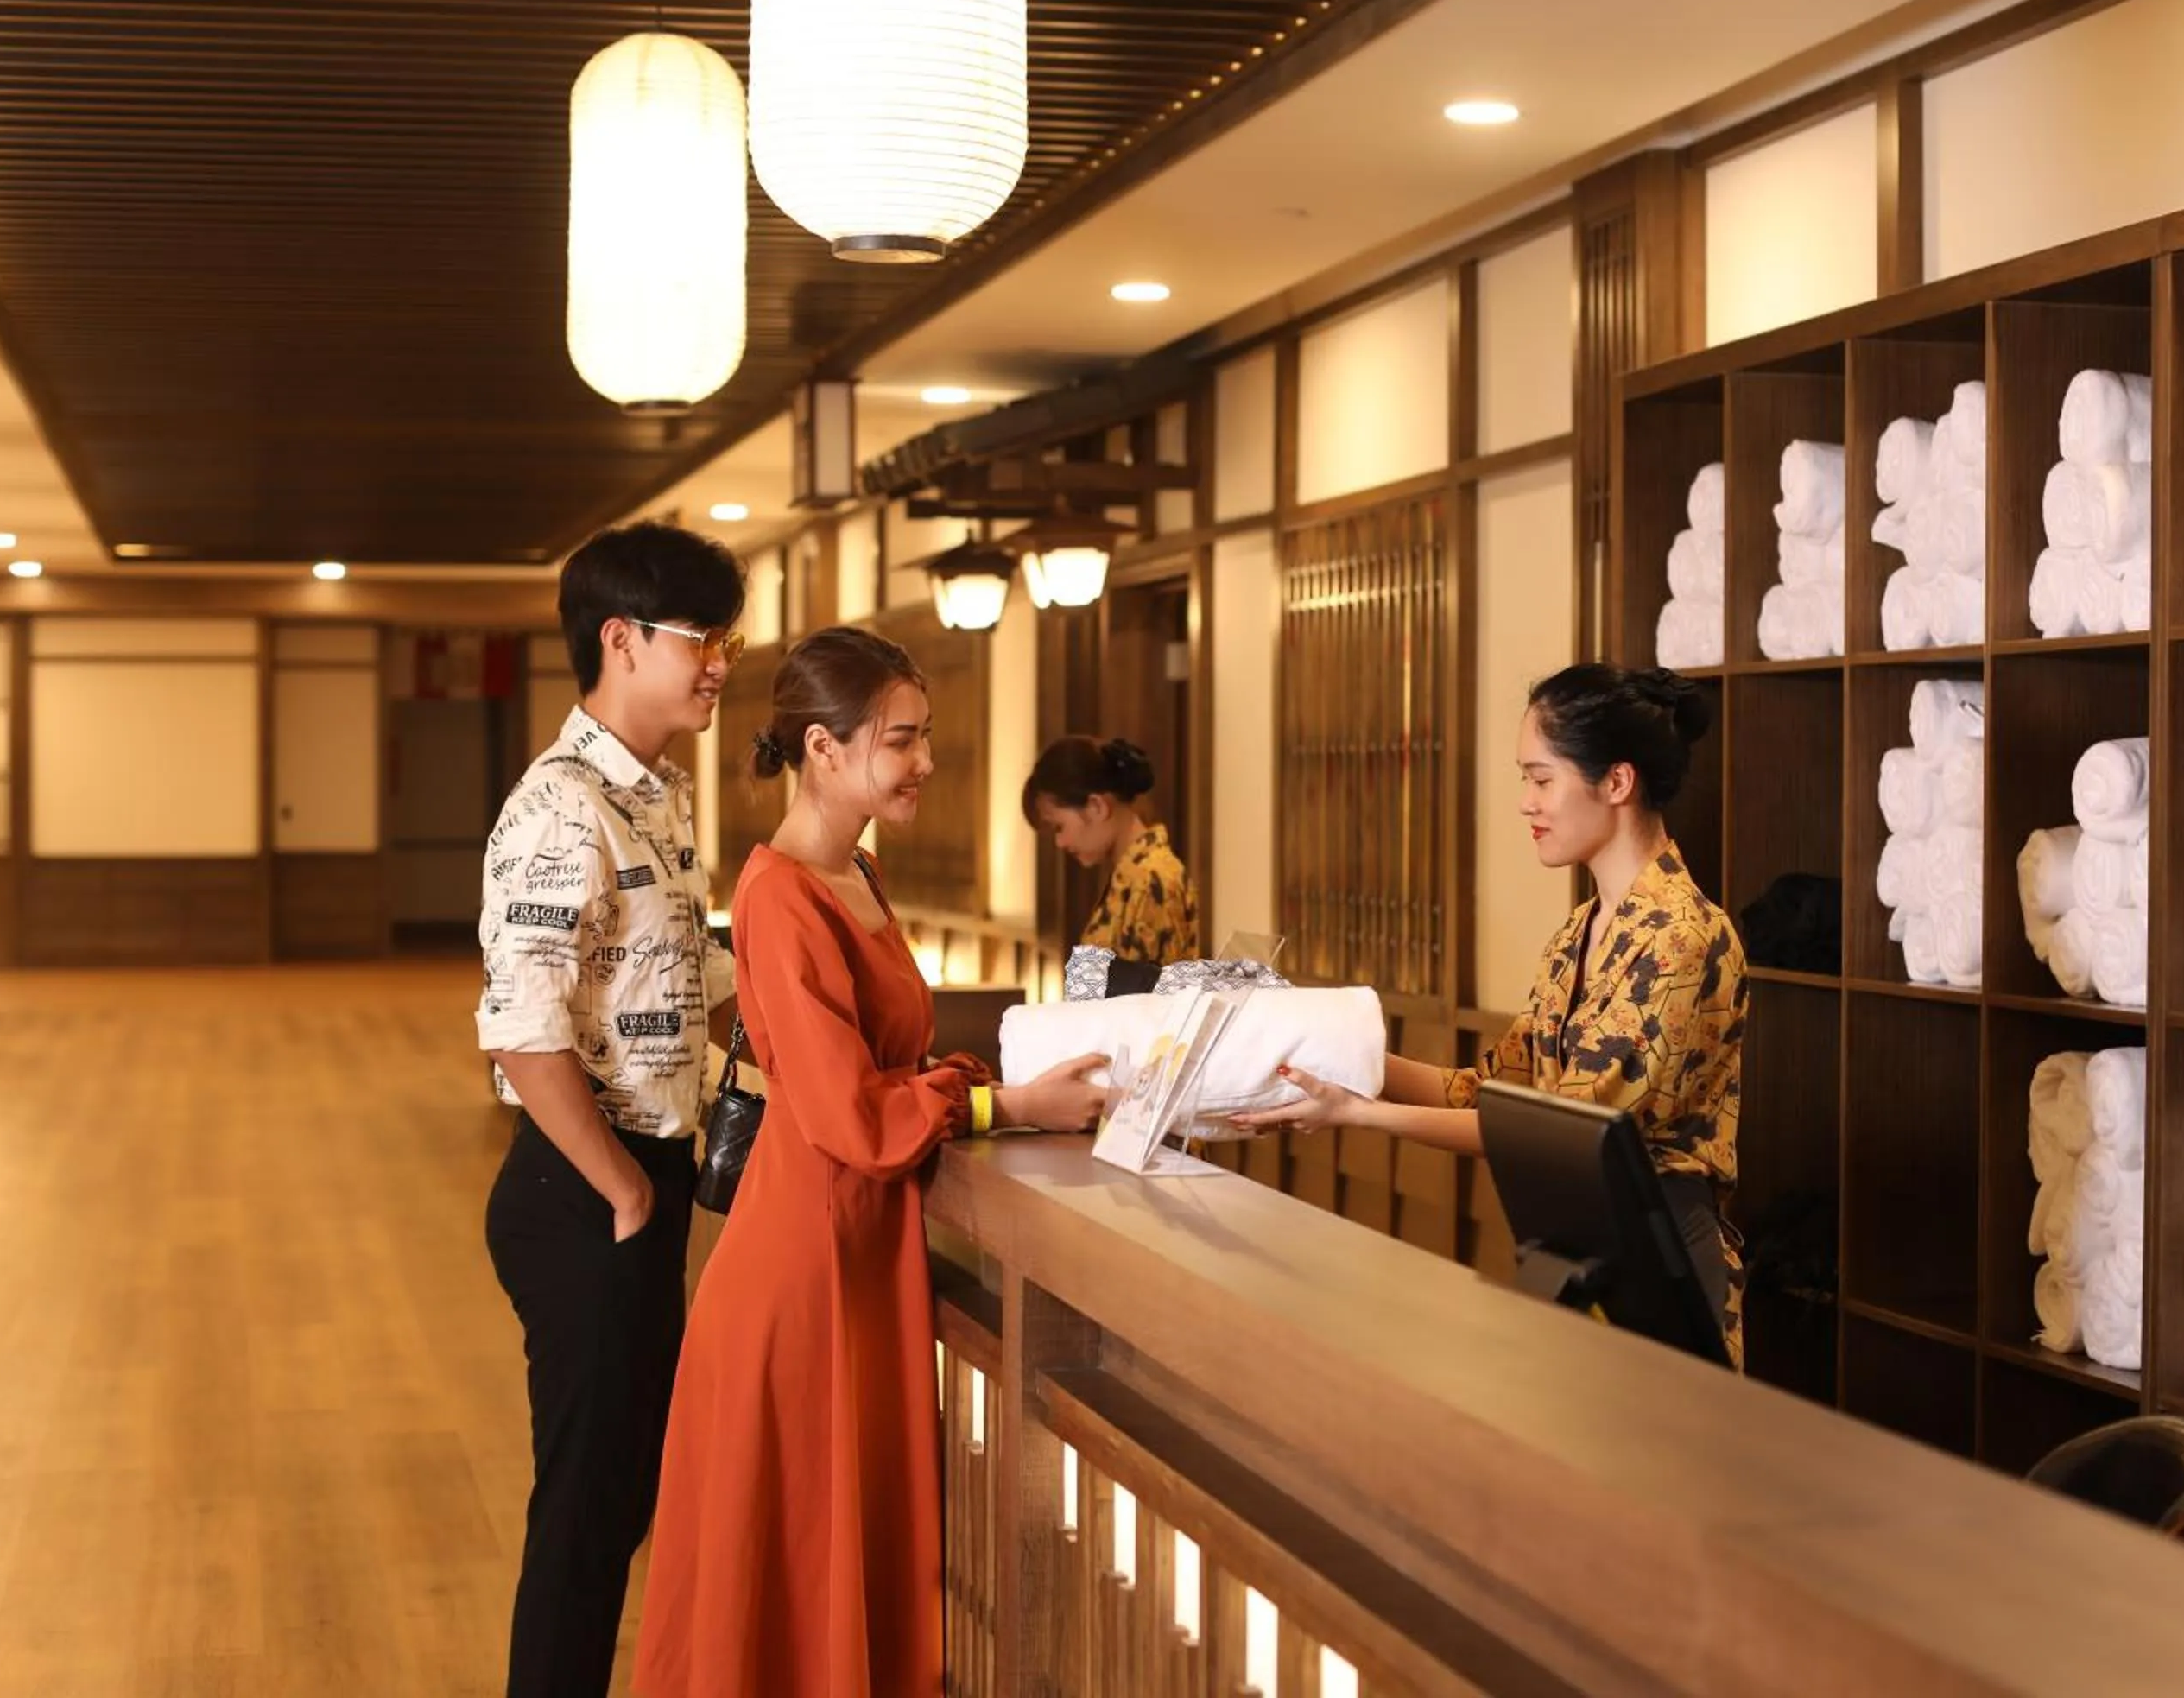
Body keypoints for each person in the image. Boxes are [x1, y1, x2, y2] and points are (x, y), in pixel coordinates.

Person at [635, 627, 1108, 1698]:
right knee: (801, 1557)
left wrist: (980, 1091)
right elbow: (847, 1112)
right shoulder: (777, 892)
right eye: (902, 739)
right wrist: (1002, 1102)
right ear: (824, 746)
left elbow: (884, 1069)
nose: (925, 760)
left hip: (858, 1245)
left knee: (844, 1541)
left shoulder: (857, 872)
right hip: (803, 1263)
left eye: (924, 735)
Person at [1232, 663, 1749, 1369]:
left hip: (1664, 1253)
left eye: (1541, 780)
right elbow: (1487, 1092)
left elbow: (1568, 1130)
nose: (1526, 803)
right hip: (1576, 1243)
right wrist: (1326, 1051)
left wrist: (1358, 1113)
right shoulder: (1578, 933)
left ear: (1617, 783)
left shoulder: (1681, 936)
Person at [475, 520, 747, 1698]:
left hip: (639, 1178)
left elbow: (680, 974)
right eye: (702, 638)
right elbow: (522, 1027)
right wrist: (627, 1189)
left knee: (619, 1500)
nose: (720, 664)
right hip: (585, 1188)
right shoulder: (562, 804)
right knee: (587, 1519)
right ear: (623, 640)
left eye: (728, 640)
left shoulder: (657, 794)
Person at [1023, 734, 1200, 963]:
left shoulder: (1150, 880)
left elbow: (1148, 985)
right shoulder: (1131, 876)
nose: (1060, 843)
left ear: (1096, 807)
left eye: (1059, 827)